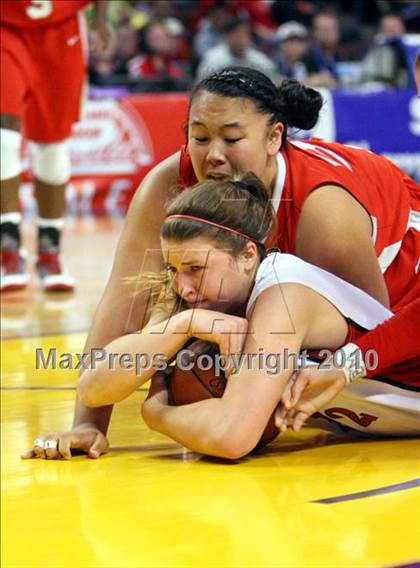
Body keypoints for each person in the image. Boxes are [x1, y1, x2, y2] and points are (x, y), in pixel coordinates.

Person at [22, 66, 419, 459]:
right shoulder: (171, 184)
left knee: (284, 352)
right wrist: (88, 424)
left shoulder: (322, 211)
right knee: (198, 328)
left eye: (231, 138)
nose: (213, 155)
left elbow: (371, 334)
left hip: (403, 286)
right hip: (301, 312)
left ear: (274, 137)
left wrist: (174, 410)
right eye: (199, 137)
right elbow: (125, 304)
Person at [72, 173, 419, 460]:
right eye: (174, 268)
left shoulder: (285, 293)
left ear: (248, 256)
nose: (183, 285)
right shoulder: (199, 299)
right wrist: (181, 325)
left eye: (195, 268)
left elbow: (232, 436)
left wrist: (157, 415)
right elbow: (93, 388)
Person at [0, 0, 108, 292]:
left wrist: (101, 18)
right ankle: (7, 249)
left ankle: (50, 252)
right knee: (3, 137)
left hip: (61, 26)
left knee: (53, 145)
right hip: (5, 24)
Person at [196, 17, 277, 81]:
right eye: (236, 34)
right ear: (227, 36)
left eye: (244, 34)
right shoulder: (212, 59)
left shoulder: (260, 60)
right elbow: (202, 87)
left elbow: (271, 83)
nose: (241, 39)